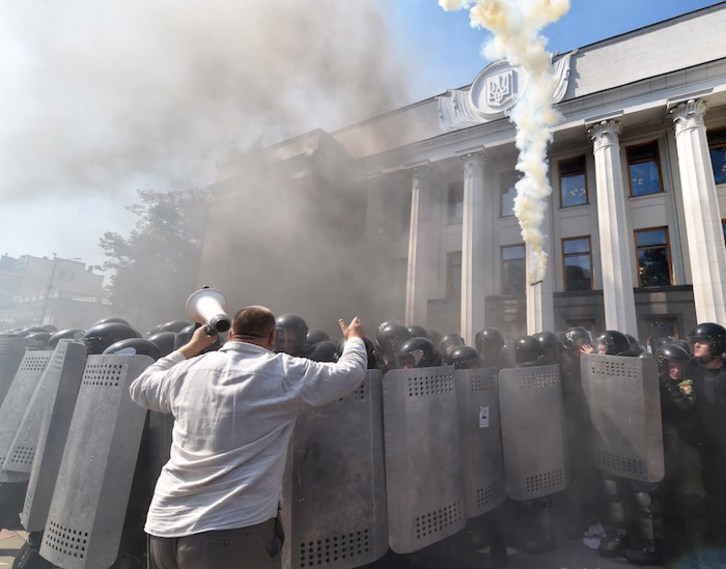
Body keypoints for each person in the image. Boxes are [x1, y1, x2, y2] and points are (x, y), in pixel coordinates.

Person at [128, 306, 367, 569]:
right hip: (231, 532)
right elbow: (351, 373)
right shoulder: (284, 372)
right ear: (273, 337)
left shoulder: (188, 369)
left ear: (230, 334)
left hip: (163, 528)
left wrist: (191, 348)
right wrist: (354, 338)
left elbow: (140, 387)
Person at [687, 322, 726, 560]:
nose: (696, 344)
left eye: (702, 341)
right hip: (699, 448)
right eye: (694, 340)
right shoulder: (687, 370)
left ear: (717, 344)